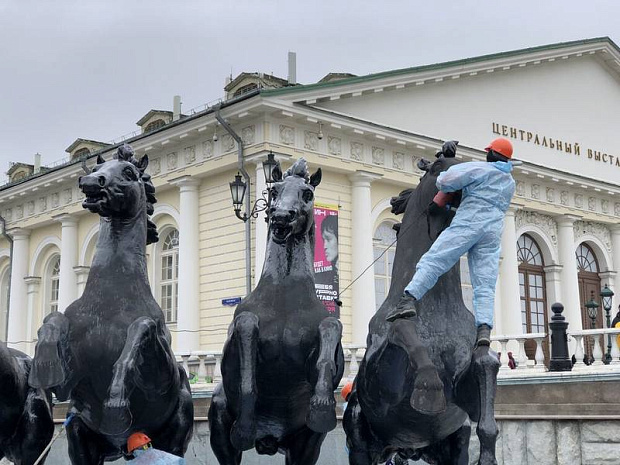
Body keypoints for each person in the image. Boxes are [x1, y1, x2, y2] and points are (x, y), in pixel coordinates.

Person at [385, 137, 516, 412]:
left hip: (470, 223)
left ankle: (408, 299)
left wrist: (446, 185)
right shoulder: (509, 182)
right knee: (484, 283)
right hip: (492, 232)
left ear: (492, 154)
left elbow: (446, 180)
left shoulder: (479, 169)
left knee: (434, 259)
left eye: (489, 152)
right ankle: (483, 330)